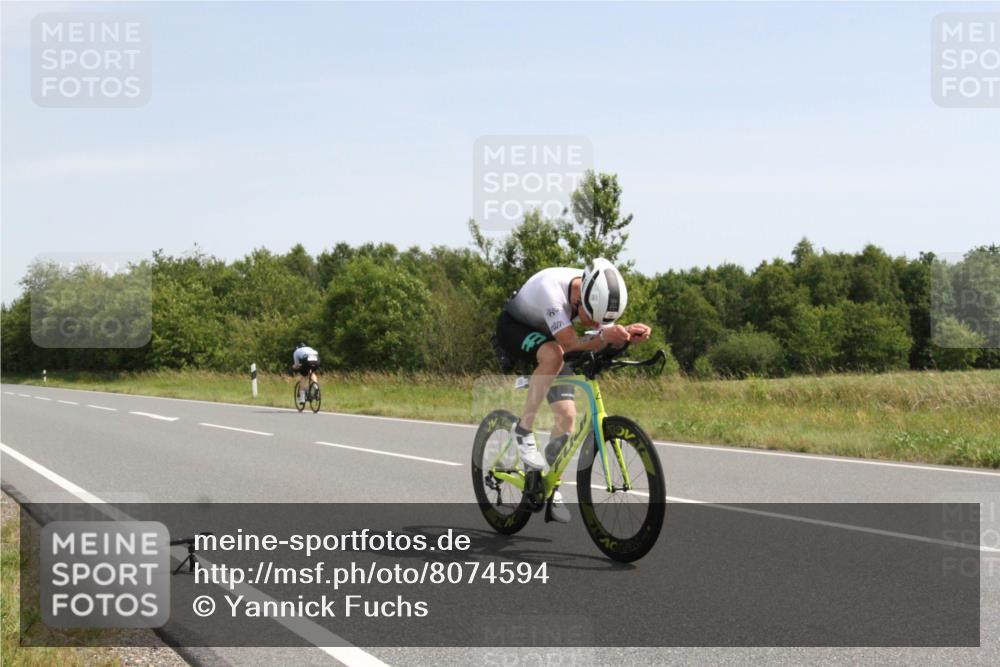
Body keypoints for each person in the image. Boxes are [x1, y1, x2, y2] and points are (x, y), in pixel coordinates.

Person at [492, 258, 652, 523]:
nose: (595, 324)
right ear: (579, 298)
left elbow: (597, 335)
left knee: (567, 417)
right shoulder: (551, 291)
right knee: (554, 354)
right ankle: (522, 430)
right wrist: (602, 337)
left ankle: (550, 485)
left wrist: (625, 334)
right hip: (516, 328)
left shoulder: (595, 292)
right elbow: (570, 344)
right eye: (592, 317)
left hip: (552, 337)